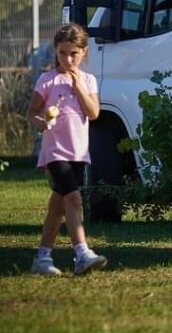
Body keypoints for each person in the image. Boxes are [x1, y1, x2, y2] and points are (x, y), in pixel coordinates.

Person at [26, 23, 107, 276]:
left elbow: (93, 113)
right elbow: (32, 113)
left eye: (73, 53)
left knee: (58, 206)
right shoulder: (47, 80)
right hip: (55, 152)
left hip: (79, 153)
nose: (68, 59)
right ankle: (82, 254)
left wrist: (78, 87)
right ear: (56, 52)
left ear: (83, 52)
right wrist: (39, 122)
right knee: (74, 199)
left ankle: (42, 258)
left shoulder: (89, 81)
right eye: (62, 53)